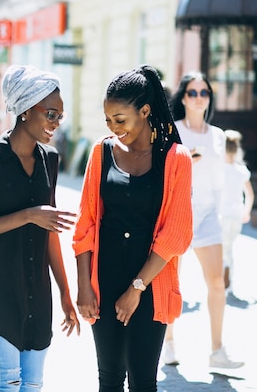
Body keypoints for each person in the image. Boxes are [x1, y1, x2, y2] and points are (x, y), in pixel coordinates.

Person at [0, 65, 80, 392]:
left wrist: (66, 294)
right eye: (51, 114)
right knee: (8, 384)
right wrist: (28, 215)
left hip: (37, 293)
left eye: (60, 116)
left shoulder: (50, 160)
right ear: (26, 111)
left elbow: (50, 230)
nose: (56, 123)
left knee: (33, 386)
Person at [73, 64, 193, 392]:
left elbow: (177, 233)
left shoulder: (176, 158)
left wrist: (137, 288)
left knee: (143, 383)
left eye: (120, 120)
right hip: (104, 281)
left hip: (151, 284)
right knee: (109, 380)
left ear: (145, 111)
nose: (114, 128)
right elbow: (85, 224)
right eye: (108, 121)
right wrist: (84, 286)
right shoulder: (101, 152)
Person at [164, 71, 244, 368]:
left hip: (210, 215)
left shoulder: (218, 135)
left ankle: (217, 350)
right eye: (193, 93)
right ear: (184, 98)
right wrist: (186, 160)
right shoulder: (173, 130)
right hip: (179, 212)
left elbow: (221, 179)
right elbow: (163, 173)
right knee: (173, 282)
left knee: (216, 283)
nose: (199, 98)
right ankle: (168, 343)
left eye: (204, 93)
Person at [221, 130, 254, 294]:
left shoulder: (218, 169)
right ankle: (228, 280)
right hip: (236, 214)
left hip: (220, 214)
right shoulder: (241, 170)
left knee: (220, 248)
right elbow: (249, 194)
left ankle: (222, 278)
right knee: (229, 248)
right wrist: (247, 212)